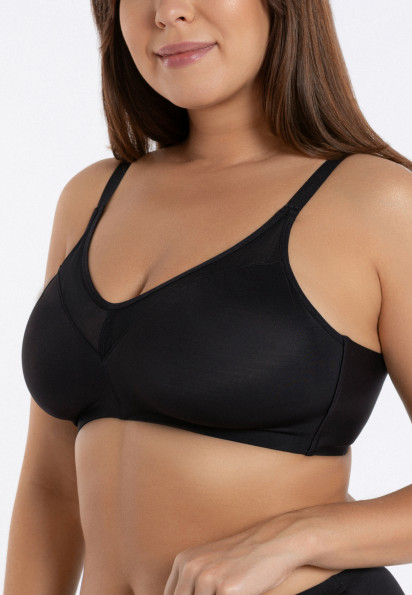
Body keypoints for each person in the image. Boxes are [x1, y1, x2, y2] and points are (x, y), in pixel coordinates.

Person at [4, 1, 412, 594]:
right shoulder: (91, 198)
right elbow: (51, 486)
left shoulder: (376, 202)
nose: (169, 11)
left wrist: (293, 539)